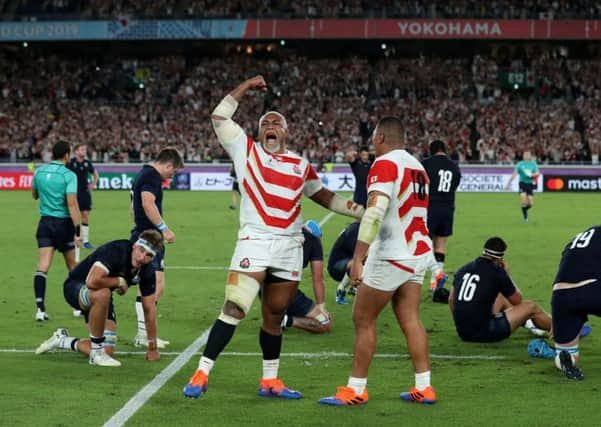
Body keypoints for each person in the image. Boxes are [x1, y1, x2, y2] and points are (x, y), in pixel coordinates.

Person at [183, 75, 363, 399]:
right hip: (255, 241)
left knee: (275, 316)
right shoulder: (245, 149)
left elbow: (324, 197)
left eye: (277, 122)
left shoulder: (300, 164)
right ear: (259, 131)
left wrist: (363, 212)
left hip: (289, 247)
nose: (272, 125)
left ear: (286, 132)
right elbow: (220, 116)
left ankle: (270, 381)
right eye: (266, 122)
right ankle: (202, 372)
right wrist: (247, 86)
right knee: (236, 307)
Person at [319, 116, 436, 406]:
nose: (372, 142)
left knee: (363, 318)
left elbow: (374, 213)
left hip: (393, 255)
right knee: (410, 318)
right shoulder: (418, 167)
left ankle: (356, 388)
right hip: (418, 252)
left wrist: (358, 257)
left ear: (381, 137)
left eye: (373, 137)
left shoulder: (384, 164)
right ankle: (425, 386)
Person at [35, 230, 164, 366]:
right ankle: (96, 354)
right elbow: (92, 281)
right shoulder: (117, 250)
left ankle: (61, 340)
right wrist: (120, 281)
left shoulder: (147, 270)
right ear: (135, 246)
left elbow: (149, 309)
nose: (142, 257)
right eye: (141, 250)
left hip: (101, 296)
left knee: (107, 351)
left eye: (148, 255)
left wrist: (152, 348)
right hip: (76, 287)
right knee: (103, 294)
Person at [448, 237, 552, 343]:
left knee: (500, 295)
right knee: (531, 307)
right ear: (500, 259)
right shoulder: (497, 272)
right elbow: (517, 300)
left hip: (463, 332)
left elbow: (451, 299)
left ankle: (527, 323)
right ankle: (561, 330)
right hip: (485, 332)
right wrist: (506, 275)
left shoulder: (463, 269)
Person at [130, 147, 184, 349]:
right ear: (168, 164)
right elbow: (147, 203)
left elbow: (132, 205)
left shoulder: (143, 174)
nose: (173, 175)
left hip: (145, 234)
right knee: (153, 286)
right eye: (174, 171)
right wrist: (164, 229)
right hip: (150, 237)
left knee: (151, 285)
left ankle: (143, 334)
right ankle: (143, 334)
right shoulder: (152, 177)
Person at [32, 140, 82, 321]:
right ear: (67, 154)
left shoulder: (39, 171)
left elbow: (34, 195)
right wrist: (78, 231)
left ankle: (40, 309)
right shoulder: (69, 175)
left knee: (43, 266)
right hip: (63, 224)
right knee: (73, 267)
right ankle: (77, 307)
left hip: (45, 223)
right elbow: (71, 204)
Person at [548, 225, 601, 380]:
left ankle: (566, 361)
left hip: (560, 297)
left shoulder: (579, 238)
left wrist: (556, 318)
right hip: (592, 289)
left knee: (569, 353)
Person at [421, 140, 461, 295]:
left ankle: (436, 273)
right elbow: (455, 185)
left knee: (423, 243)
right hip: (448, 208)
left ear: (432, 151)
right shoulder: (454, 166)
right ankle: (434, 284)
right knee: (441, 246)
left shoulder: (426, 164)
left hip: (430, 207)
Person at [280, 220, 331, 334]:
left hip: (264, 287)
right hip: (285, 289)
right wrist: (321, 307)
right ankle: (284, 320)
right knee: (325, 323)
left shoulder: (284, 232)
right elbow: (318, 278)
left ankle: (278, 314)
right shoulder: (313, 240)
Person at [67, 143, 99, 250]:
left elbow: (95, 174)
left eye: (85, 150)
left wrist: (93, 184)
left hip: (84, 192)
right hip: (73, 193)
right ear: (76, 151)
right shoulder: (70, 163)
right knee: (72, 216)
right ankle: (72, 239)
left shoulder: (87, 163)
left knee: (85, 215)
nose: (84, 151)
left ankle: (85, 241)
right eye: (81, 149)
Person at [327, 221, 360, 305]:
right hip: (336, 265)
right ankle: (341, 290)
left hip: (345, 262)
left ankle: (354, 288)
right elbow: (357, 254)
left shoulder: (358, 227)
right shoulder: (355, 229)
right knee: (360, 260)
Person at [504, 150, 539, 222]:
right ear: (523, 156)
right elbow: (514, 174)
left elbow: (537, 173)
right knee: (523, 198)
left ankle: (524, 209)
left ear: (530, 156)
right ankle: (525, 216)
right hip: (522, 183)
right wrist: (508, 184)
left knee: (531, 203)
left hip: (530, 184)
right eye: (525, 155)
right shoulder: (520, 164)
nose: (526, 156)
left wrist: (532, 175)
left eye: (527, 155)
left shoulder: (533, 164)